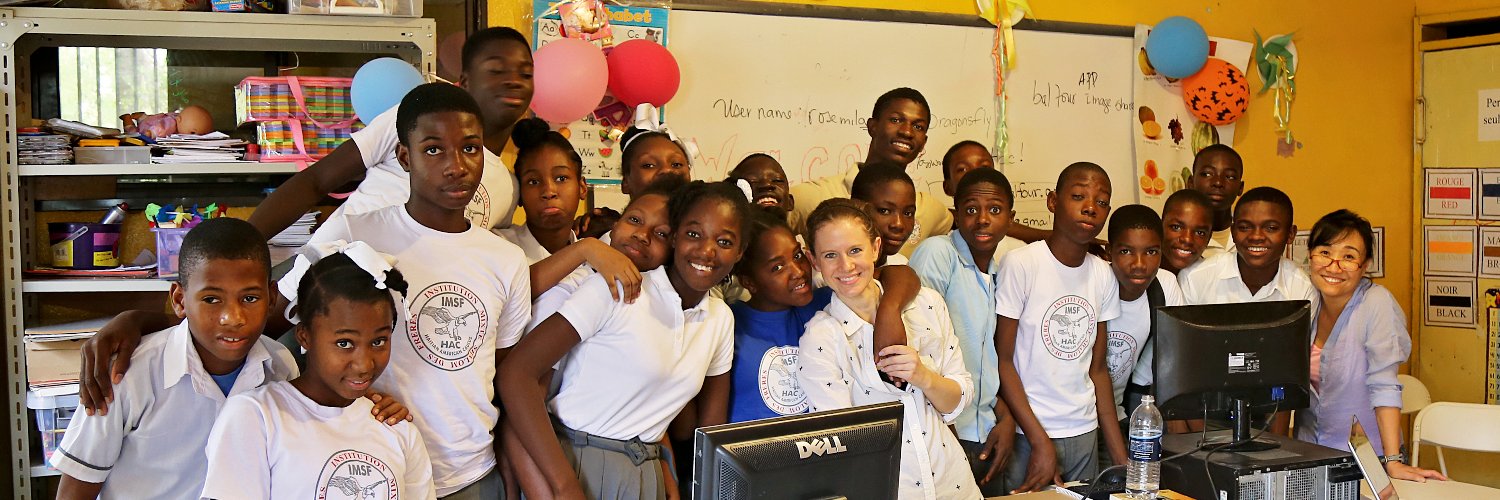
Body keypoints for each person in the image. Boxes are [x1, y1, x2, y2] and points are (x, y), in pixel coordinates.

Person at [499, 181, 750, 499]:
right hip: (576, 464)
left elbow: (707, 430)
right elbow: (516, 374)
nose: (707, 250)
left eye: (725, 241)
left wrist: (675, 478)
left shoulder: (719, 318)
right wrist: (564, 486)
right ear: (677, 238)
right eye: (694, 234)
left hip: (646, 470)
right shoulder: (613, 289)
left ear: (740, 252)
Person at [52, 218, 301, 500]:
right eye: (211, 299)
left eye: (250, 298)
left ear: (271, 298)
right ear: (180, 300)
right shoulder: (129, 374)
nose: (233, 318)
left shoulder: (280, 367)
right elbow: (76, 489)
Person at [248, 27, 534, 238]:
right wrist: (241, 246)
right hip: (328, 275)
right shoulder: (414, 120)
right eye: (497, 71)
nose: (513, 82)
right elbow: (316, 180)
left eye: (524, 73)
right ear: (466, 81)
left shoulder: (508, 189)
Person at [200, 247, 437, 500]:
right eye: (345, 343)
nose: (364, 364)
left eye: (379, 341)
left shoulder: (397, 428)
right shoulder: (256, 417)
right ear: (305, 335)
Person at [797, 198, 982, 499]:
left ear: (876, 247)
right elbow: (838, 444)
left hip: (953, 484)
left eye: (855, 250)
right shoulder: (821, 338)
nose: (846, 266)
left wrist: (923, 376)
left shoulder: (927, 304)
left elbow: (957, 401)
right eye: (830, 255)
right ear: (814, 261)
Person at [995, 162, 1126, 492]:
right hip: (1029, 433)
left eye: (1101, 202)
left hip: (1083, 431)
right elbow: (1003, 360)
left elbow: (1097, 371)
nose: (1089, 208)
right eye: (1079, 196)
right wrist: (1040, 442)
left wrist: (1122, 461)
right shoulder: (1022, 264)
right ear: (1053, 202)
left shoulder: (1102, 274)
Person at [1295, 209, 1447, 484]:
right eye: (1325, 252)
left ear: (1365, 266)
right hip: (1311, 457)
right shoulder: (1307, 301)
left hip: (1365, 463)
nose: (1334, 265)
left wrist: (1393, 463)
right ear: (1310, 255)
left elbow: (1385, 384)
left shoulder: (1376, 303)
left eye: (1349, 257)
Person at [727, 211, 921, 423]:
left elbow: (900, 274)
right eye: (778, 267)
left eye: (797, 256)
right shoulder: (730, 325)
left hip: (822, 447)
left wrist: (889, 312)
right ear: (748, 282)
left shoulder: (828, 299)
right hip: (757, 450)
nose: (798, 271)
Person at [910, 167, 1024, 495]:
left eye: (995, 210)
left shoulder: (999, 273)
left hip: (985, 434)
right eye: (971, 209)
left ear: (1010, 217)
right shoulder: (939, 254)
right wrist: (949, 436)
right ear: (956, 214)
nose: (983, 219)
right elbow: (919, 352)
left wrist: (1004, 418)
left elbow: (988, 364)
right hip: (946, 434)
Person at [1178, 186, 1312, 434]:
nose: (1257, 236)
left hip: (1270, 412)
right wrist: (1200, 437)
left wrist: (1277, 445)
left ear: (1290, 234)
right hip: (1200, 413)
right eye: (1245, 227)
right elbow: (1180, 367)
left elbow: (1290, 373)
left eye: (1271, 228)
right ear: (1232, 230)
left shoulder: (1302, 290)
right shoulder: (1196, 279)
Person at [789, 87, 951, 257]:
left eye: (918, 126)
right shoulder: (812, 195)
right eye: (896, 120)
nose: (907, 132)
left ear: (924, 142)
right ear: (872, 127)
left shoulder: (931, 209)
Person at [497, 116, 642, 302]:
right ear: (519, 194)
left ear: (582, 188)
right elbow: (512, 294)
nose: (548, 191)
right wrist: (583, 249)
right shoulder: (501, 245)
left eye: (561, 178)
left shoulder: (600, 257)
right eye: (533, 181)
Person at [1099, 205, 1186, 431]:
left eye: (1151, 252)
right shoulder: (1094, 283)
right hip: (1077, 418)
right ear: (1109, 252)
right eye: (1126, 251)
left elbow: (1171, 363)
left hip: (1117, 413)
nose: (1139, 264)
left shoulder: (1164, 286)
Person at [850, 161, 918, 266]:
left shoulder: (902, 265)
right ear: (857, 208)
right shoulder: (828, 273)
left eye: (908, 213)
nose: (898, 224)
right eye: (884, 211)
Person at [1190, 145, 1245, 259]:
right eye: (1207, 174)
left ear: (1240, 187)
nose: (1218, 182)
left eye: (1229, 176)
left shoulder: (1251, 238)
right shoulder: (1178, 240)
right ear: (1190, 183)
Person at [1159, 189, 1215, 274]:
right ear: (1160, 226)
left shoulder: (1210, 279)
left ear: (1209, 238)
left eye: (1200, 233)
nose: (1187, 239)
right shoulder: (1138, 274)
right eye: (1176, 227)